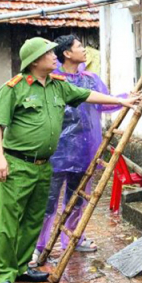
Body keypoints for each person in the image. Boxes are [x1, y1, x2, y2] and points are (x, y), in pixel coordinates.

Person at [0, 37, 140, 283]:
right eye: (48, 53)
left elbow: (88, 95)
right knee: (8, 223)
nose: (54, 56)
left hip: (43, 166)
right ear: (35, 60)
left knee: (33, 220)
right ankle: (2, 278)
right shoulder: (14, 88)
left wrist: (122, 101)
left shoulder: (58, 85)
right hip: (18, 165)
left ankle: (21, 267)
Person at [32, 36, 124, 265]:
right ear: (67, 53)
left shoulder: (90, 79)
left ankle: (74, 238)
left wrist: (126, 99)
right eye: (79, 46)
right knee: (47, 202)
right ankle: (37, 246)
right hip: (56, 152)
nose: (84, 50)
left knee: (77, 200)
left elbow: (105, 103)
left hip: (84, 150)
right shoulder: (51, 81)